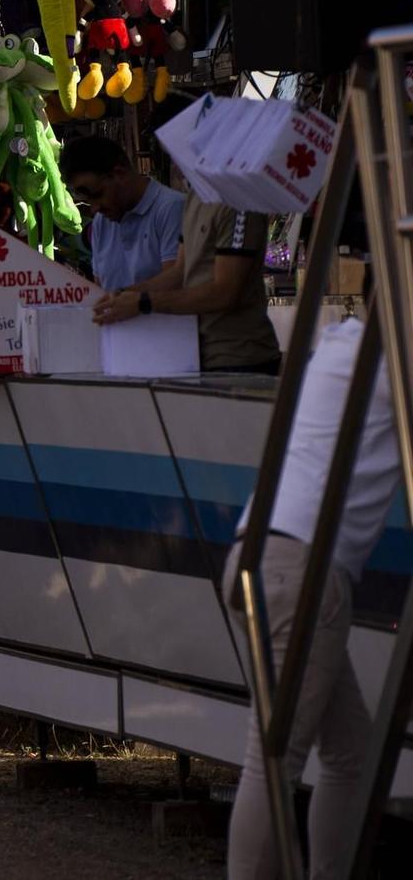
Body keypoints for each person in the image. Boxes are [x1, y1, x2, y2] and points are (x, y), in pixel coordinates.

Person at [225, 309, 400, 878]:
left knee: (350, 751)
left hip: (264, 556)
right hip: (304, 570)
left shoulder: (345, 341)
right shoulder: (397, 350)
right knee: (274, 760)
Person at [92, 191, 282, 374]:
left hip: (239, 357)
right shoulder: (196, 196)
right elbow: (180, 272)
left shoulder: (237, 200)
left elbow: (225, 292)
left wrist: (143, 302)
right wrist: (125, 295)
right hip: (193, 352)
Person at [59, 135, 186, 292]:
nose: (94, 209)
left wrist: (124, 301)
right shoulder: (101, 221)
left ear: (120, 173)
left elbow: (176, 283)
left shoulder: (172, 209)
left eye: (98, 195)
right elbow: (100, 292)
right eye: (88, 201)